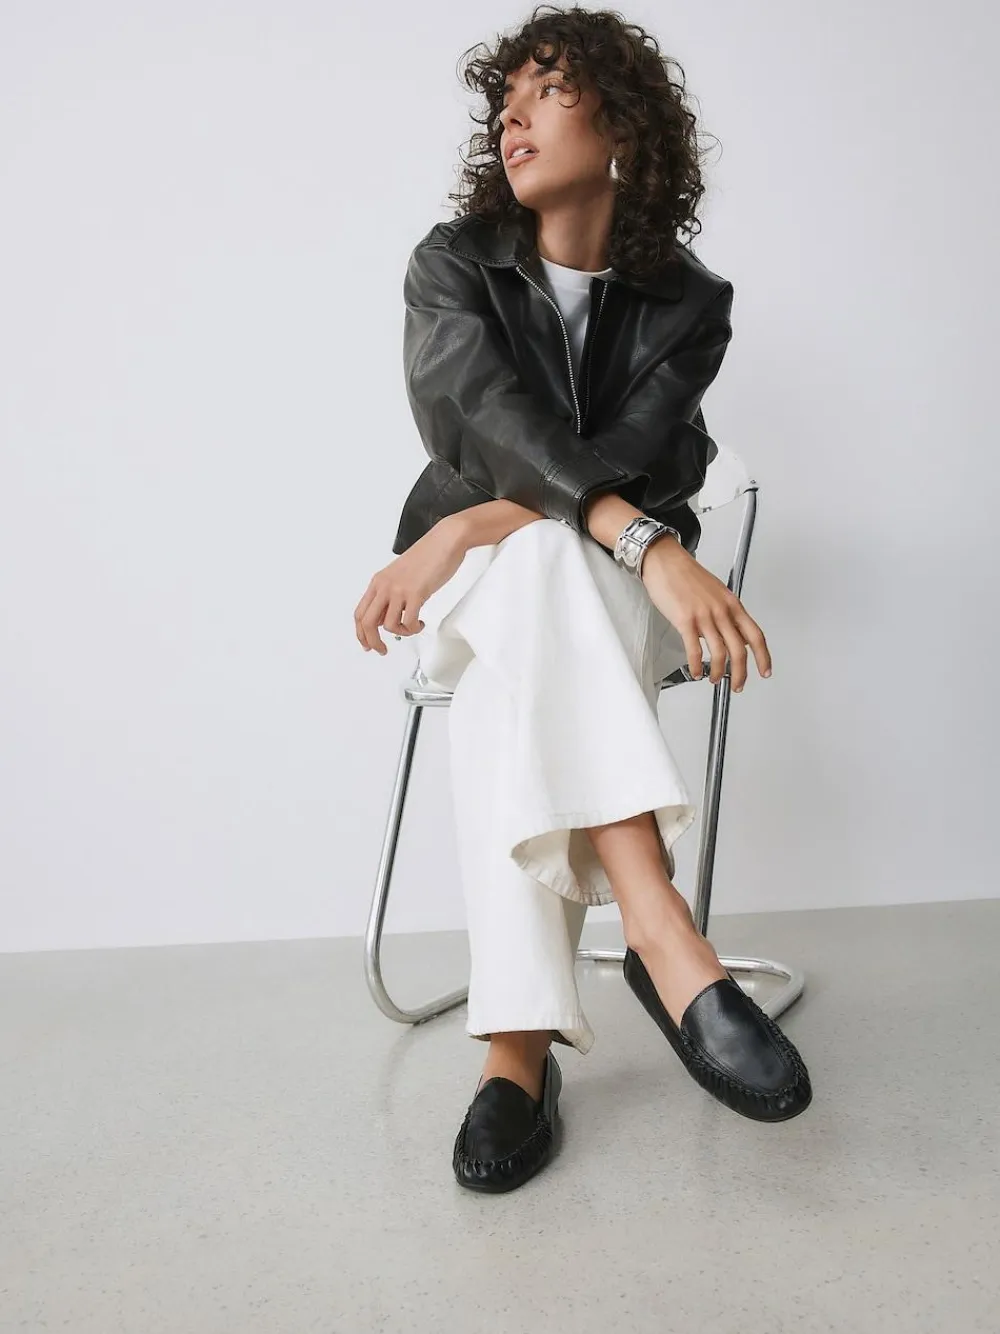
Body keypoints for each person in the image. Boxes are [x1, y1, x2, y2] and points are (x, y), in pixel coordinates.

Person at [354, 5, 812, 1194]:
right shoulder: (452, 264)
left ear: (620, 126)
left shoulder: (687, 302)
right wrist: (643, 540)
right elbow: (483, 423)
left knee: (545, 586)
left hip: (600, 608)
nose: (511, 119)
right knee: (539, 573)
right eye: (502, 104)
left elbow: (633, 454)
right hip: (505, 598)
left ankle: (515, 1052)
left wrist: (466, 522)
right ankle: (661, 931)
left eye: (545, 92)